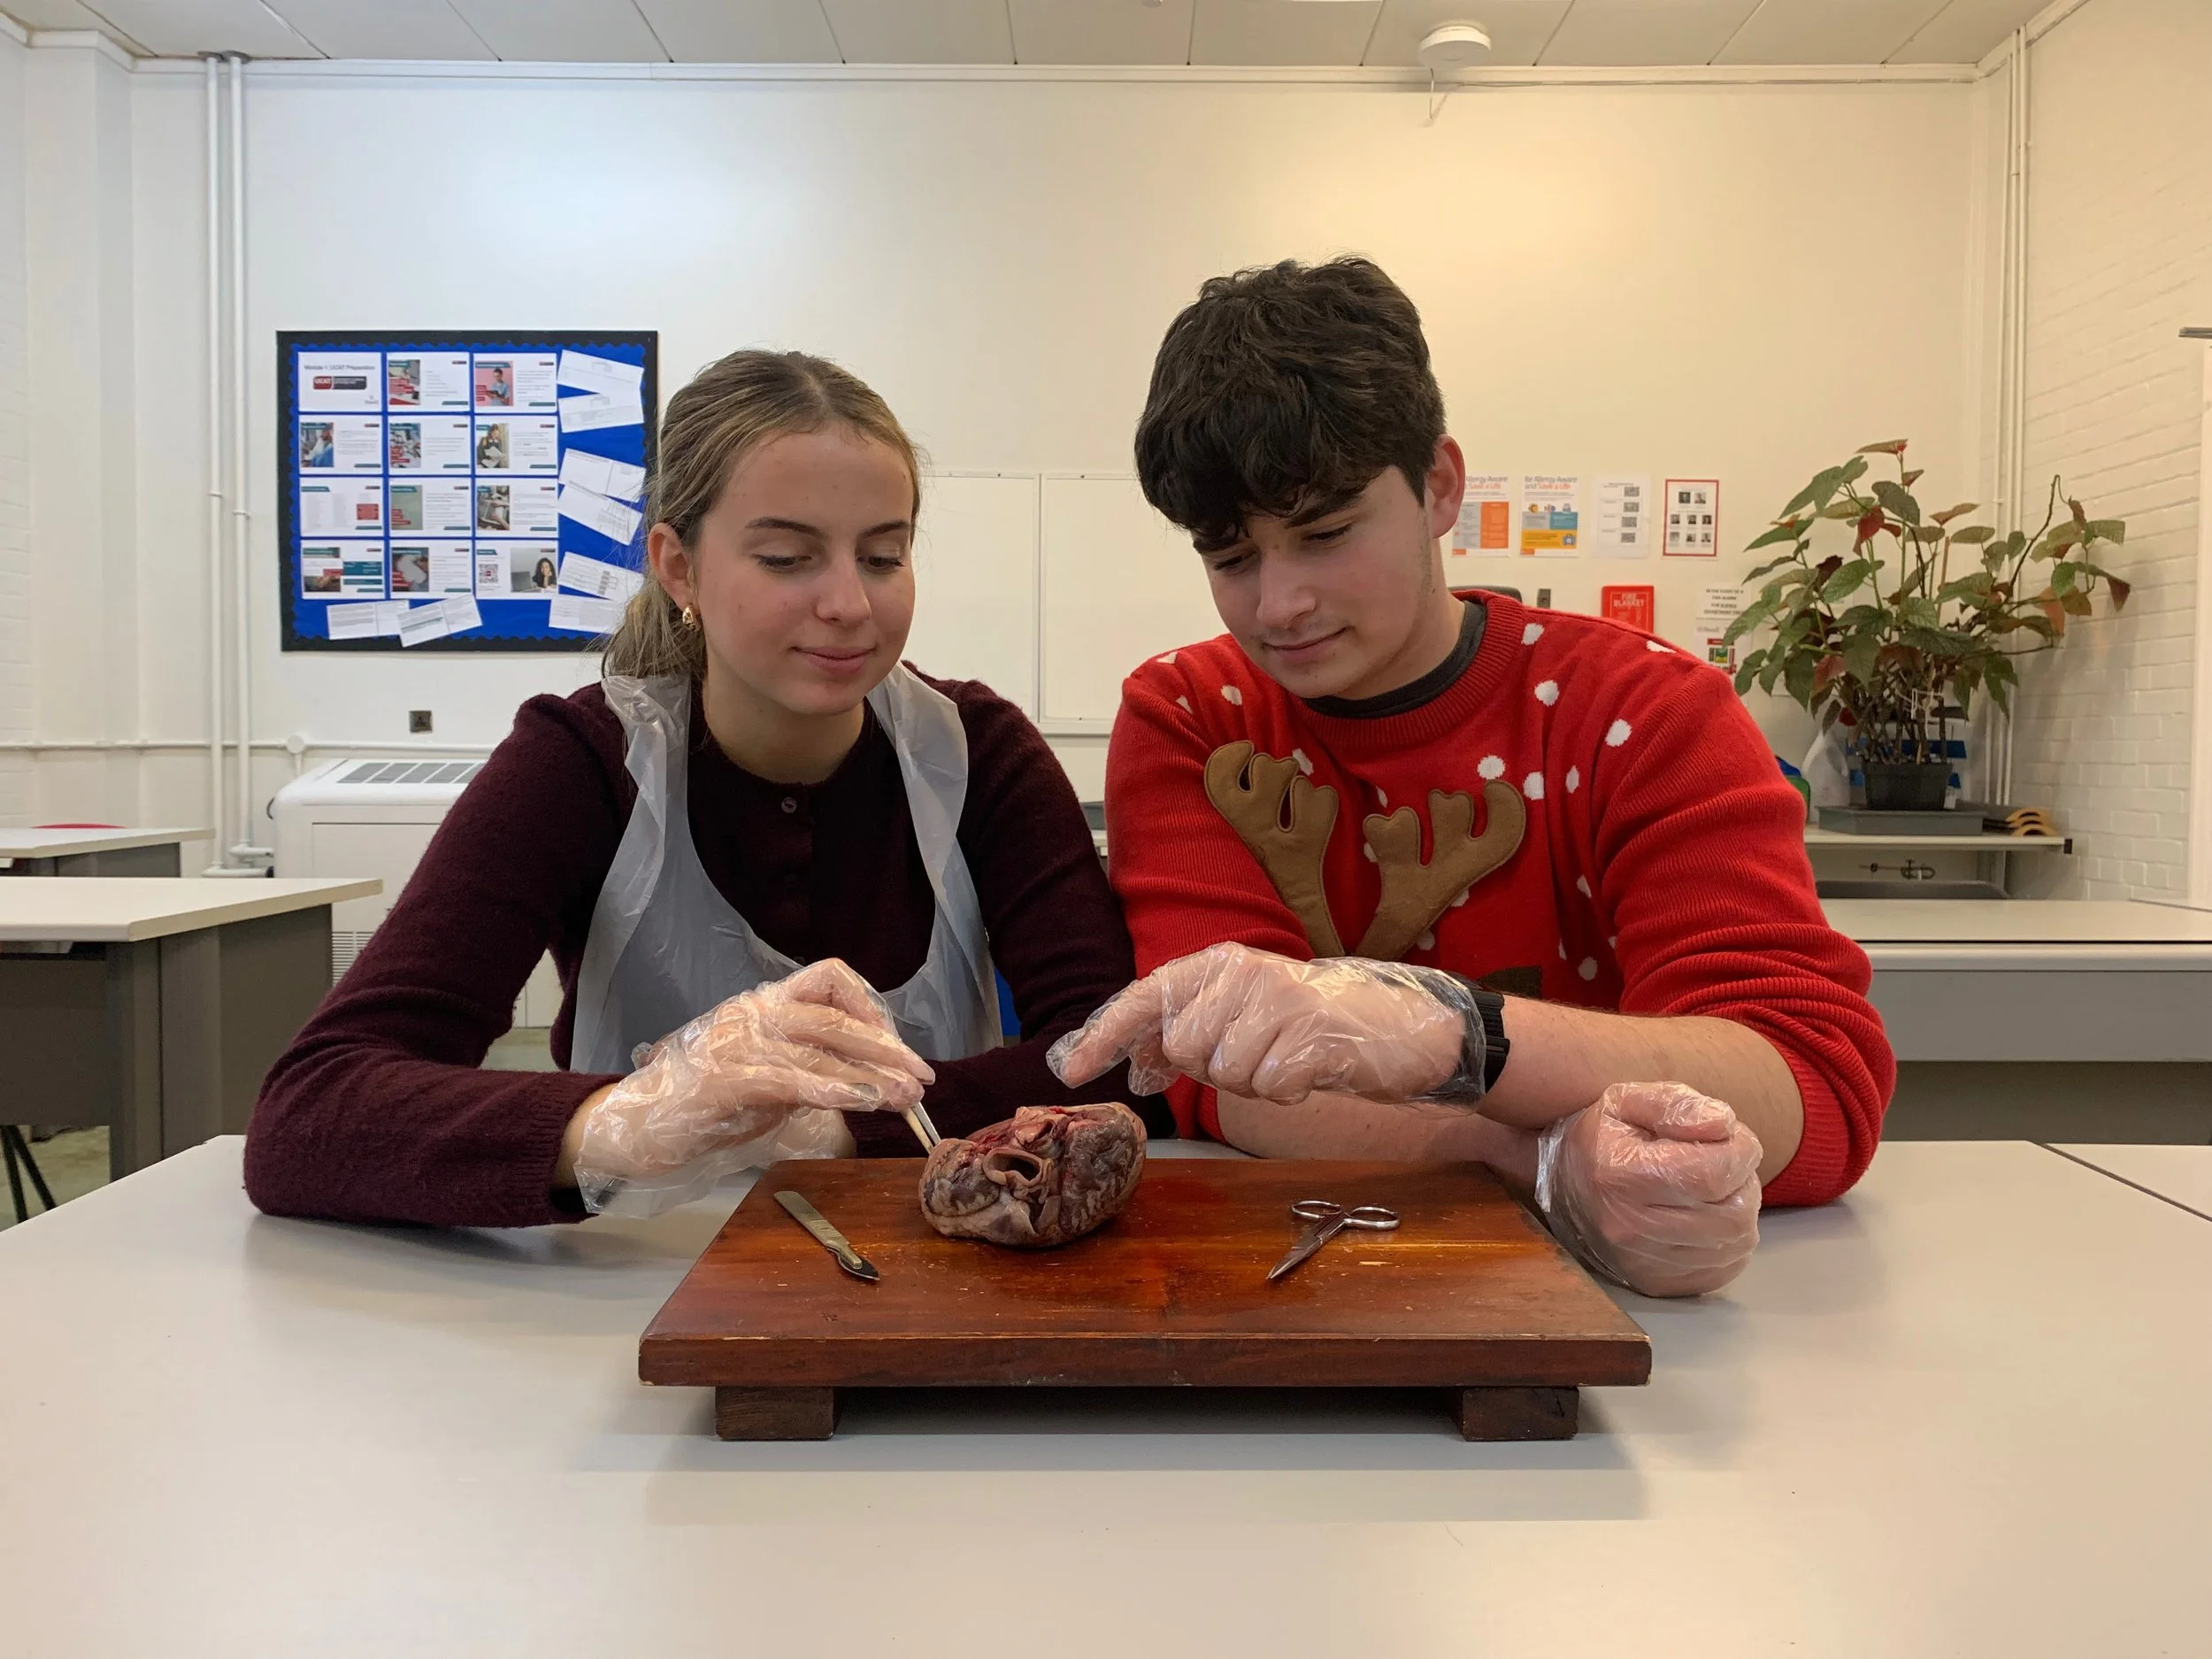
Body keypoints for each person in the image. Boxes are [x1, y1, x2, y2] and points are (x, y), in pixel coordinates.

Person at [1053, 257, 1893, 1297]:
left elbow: (1809, 1085)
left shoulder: (1647, 712)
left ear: (1439, 488)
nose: (1279, 605)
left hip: (1635, 1309)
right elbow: (1215, 1074)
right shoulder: (1190, 713)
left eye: (1325, 534)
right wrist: (1538, 1164)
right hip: (1306, 1289)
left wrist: (1462, 1037)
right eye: (1230, 558)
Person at [247, 349, 1149, 1227]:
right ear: (678, 566)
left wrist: (832, 1129)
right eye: (786, 557)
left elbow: (1113, 1061)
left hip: (937, 1266)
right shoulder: (582, 762)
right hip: (638, 1270)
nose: (848, 603)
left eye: (882, 556)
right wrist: (628, 1125)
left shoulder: (978, 755)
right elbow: (312, 1111)